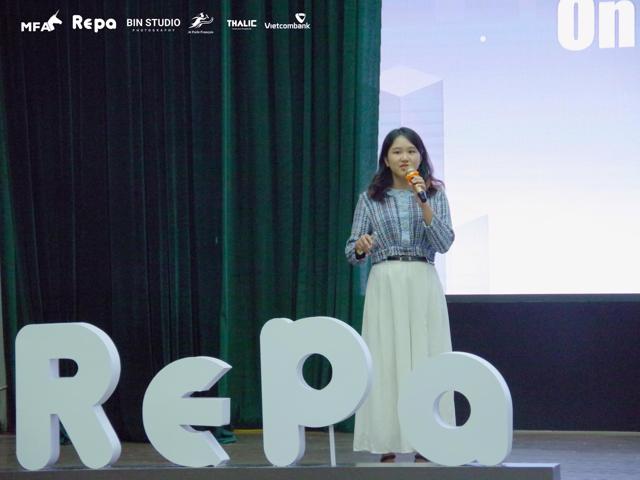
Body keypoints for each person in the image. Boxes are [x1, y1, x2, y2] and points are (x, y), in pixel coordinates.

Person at [345, 127, 455, 463]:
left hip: (422, 278)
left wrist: (424, 202)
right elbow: (351, 252)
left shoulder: (434, 194)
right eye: (397, 152)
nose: (404, 157)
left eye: (411, 151)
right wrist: (361, 246)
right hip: (386, 280)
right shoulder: (370, 198)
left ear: (421, 156)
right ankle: (387, 439)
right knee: (386, 357)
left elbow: (444, 243)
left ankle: (428, 438)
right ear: (386, 159)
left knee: (426, 357)